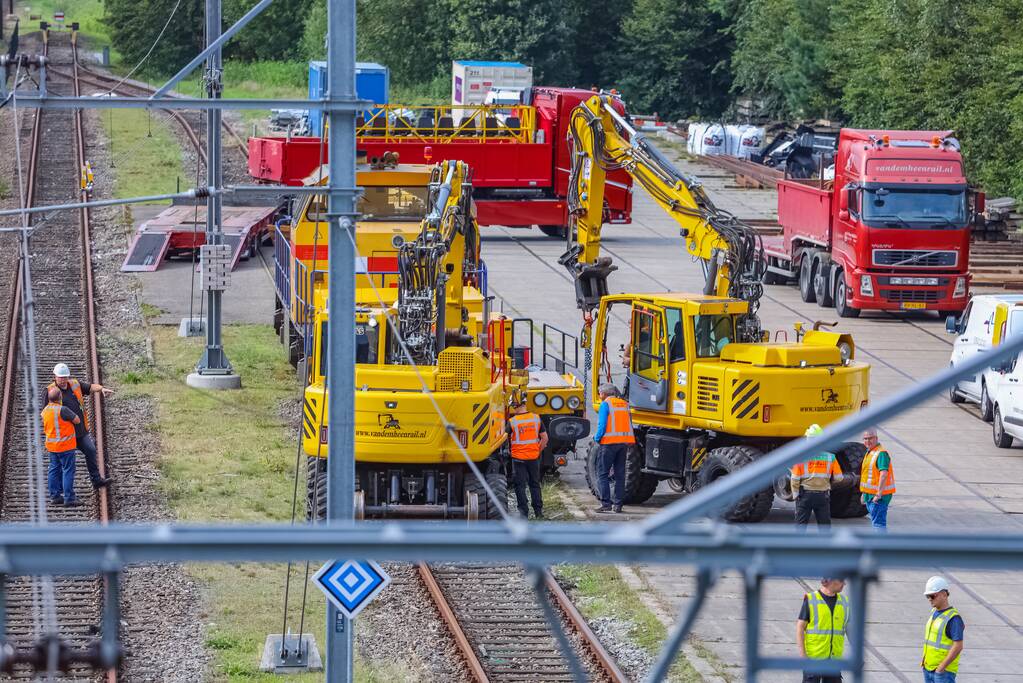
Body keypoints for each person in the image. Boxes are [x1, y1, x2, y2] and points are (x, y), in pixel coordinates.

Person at [43, 363, 113, 489]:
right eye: (60, 377)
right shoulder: (50, 391)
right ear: (55, 376)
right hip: (64, 435)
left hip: (80, 432)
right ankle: (58, 493)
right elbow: (45, 413)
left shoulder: (75, 384)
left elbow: (91, 387)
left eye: (65, 377)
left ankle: (96, 480)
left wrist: (101, 388)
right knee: (61, 465)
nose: (63, 380)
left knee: (91, 450)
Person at [797, 577, 849, 683]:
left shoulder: (844, 601)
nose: (845, 583)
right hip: (813, 659)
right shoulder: (811, 599)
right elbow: (800, 627)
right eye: (842, 580)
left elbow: (849, 628)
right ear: (831, 581)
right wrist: (803, 655)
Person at [593, 382, 634, 513]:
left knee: (603, 474)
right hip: (623, 444)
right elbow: (630, 422)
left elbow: (602, 425)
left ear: (604, 394)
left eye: (600, 393)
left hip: (608, 443)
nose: (599, 396)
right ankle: (618, 505)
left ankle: (606, 503)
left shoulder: (605, 404)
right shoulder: (625, 404)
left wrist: (597, 438)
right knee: (620, 474)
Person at [791, 424, 843, 530]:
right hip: (823, 496)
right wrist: (828, 481)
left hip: (805, 495)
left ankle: (796, 545)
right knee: (825, 528)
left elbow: (795, 478)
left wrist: (795, 495)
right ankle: (825, 546)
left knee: (800, 527)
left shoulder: (800, 457)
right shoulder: (830, 457)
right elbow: (839, 478)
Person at [506, 394, 548, 520]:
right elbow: (545, 439)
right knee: (535, 484)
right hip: (533, 458)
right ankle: (538, 512)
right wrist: (537, 451)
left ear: (514, 406)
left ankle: (523, 514)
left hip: (518, 459)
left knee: (520, 486)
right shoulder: (536, 418)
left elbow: (503, 439)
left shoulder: (512, 422)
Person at [42, 386, 82, 506]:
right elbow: (77, 420)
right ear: (60, 397)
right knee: (68, 471)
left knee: (53, 470)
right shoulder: (63, 409)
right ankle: (69, 498)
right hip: (65, 446)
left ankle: (55, 496)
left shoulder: (45, 410)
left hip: (52, 447)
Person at [922, 576, 965, 682]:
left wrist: (941, 668)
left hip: (943, 673)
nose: (929, 599)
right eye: (928, 596)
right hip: (928, 668)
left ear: (944, 594)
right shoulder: (934, 613)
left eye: (932, 596)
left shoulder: (953, 618)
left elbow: (958, 646)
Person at [859, 428, 895, 530]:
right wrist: (864, 493)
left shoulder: (881, 453)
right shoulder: (870, 452)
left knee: (878, 525)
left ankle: (879, 545)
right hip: (870, 495)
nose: (867, 441)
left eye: (870, 438)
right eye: (865, 439)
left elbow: (884, 474)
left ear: (876, 438)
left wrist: (878, 494)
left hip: (878, 498)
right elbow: (868, 475)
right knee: (876, 523)